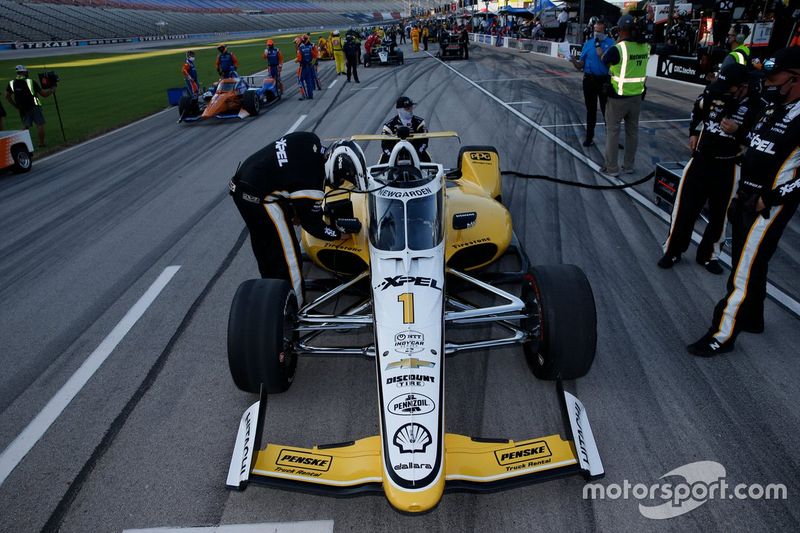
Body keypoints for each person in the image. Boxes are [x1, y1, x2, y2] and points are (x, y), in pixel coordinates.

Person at [687, 47, 800, 357]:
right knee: (748, 263)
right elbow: (756, 143)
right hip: (745, 194)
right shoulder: (772, 107)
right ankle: (753, 317)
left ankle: (721, 336)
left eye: (775, 80)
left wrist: (772, 197)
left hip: (770, 204)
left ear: (795, 78)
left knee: (744, 272)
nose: (769, 86)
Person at [229, 132, 365, 306]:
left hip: (248, 181)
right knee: (288, 256)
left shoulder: (309, 140)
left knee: (268, 251)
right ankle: (295, 306)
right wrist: (338, 233)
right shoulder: (312, 184)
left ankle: (272, 296)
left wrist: (296, 210)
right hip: (259, 197)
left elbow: (286, 174)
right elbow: (313, 226)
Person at [658, 63, 762, 274]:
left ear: (743, 86)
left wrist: (739, 131)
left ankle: (708, 255)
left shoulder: (758, 106)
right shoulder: (713, 91)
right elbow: (697, 109)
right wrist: (693, 132)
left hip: (730, 164)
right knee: (684, 209)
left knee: (720, 215)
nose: (724, 92)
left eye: (729, 88)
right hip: (701, 160)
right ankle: (672, 251)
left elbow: (761, 139)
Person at [600, 14, 650, 177]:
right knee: (632, 132)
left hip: (618, 97)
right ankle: (629, 166)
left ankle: (612, 168)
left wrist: (617, 42)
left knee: (613, 132)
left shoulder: (618, 48)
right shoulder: (645, 47)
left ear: (621, 30)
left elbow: (604, 59)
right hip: (637, 96)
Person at [571, 19, 615, 147]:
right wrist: (574, 61)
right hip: (589, 80)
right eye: (595, 30)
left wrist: (601, 52)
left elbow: (613, 64)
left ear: (604, 31)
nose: (597, 33)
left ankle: (612, 140)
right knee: (591, 111)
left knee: (607, 111)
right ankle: (589, 137)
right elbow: (580, 65)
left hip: (604, 81)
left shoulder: (611, 44)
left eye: (599, 31)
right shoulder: (588, 44)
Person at [5, 65, 54, 147]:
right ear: (24, 72)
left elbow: (7, 96)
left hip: (22, 109)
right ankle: (41, 143)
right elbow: (44, 94)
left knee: (25, 126)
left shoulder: (12, 83)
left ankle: (21, 144)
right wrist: (52, 90)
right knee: (40, 125)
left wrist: (15, 105)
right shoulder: (31, 81)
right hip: (34, 106)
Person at [380, 96, 429, 164]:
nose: (411, 110)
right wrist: (392, 156)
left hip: (417, 154)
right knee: (380, 168)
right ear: (399, 110)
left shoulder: (419, 123)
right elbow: (385, 145)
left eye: (411, 107)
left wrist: (417, 153)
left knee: (432, 168)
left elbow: (424, 141)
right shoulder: (389, 126)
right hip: (394, 156)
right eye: (407, 108)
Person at [296, 35, 318, 100]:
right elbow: (314, 55)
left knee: (300, 81)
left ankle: (304, 95)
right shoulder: (309, 47)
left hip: (302, 67)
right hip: (309, 66)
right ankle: (310, 95)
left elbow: (299, 59)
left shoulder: (300, 48)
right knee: (309, 81)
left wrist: (296, 60)